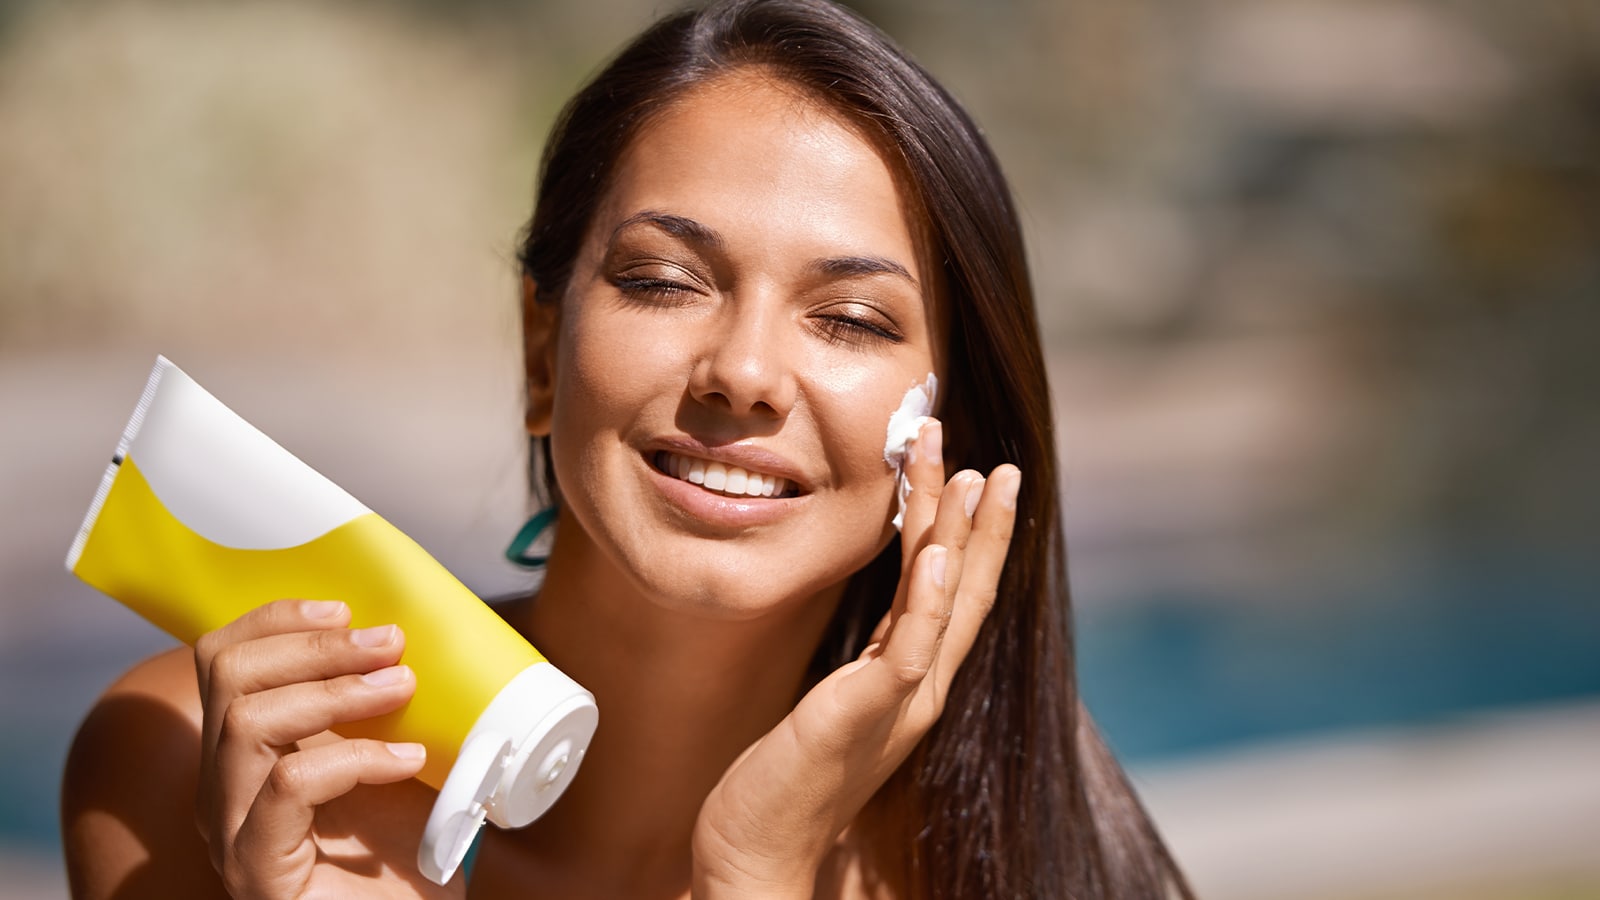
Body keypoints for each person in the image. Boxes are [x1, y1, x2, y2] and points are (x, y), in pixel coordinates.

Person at [61, 0, 1193, 897]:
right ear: (543, 352)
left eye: (848, 319)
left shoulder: (1021, 866)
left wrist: (755, 874)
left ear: (951, 430)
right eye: (662, 282)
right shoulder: (194, 763)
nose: (742, 373)